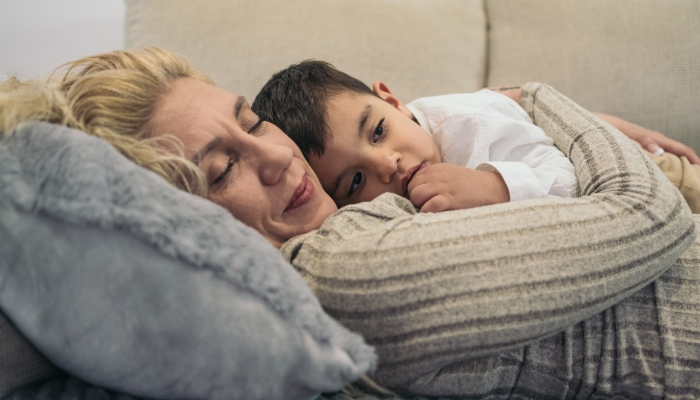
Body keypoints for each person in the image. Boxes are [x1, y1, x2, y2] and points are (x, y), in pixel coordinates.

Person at [1, 48, 698, 399]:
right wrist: (532, 96)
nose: (276, 156)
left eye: (252, 123)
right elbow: (645, 211)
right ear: (177, 223)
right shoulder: (343, 271)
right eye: (221, 170)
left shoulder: (348, 222)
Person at [251, 61, 700, 213]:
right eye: (354, 182)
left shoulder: (466, 125)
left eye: (379, 131)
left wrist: (493, 186)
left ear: (392, 101)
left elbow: (571, 176)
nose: (387, 164)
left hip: (638, 168)